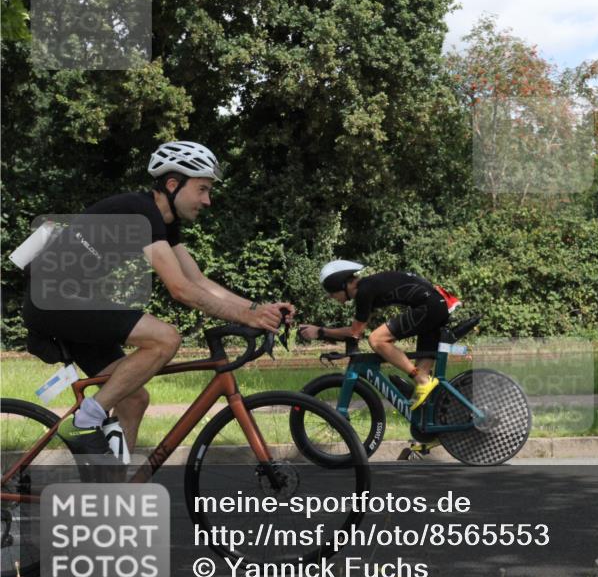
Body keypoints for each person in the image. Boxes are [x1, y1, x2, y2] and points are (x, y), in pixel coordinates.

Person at [21, 140, 295, 460]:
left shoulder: (163, 222)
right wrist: (246, 317)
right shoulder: (141, 211)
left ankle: (113, 494)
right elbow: (180, 289)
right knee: (165, 338)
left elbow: (198, 280)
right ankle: (85, 422)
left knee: (133, 399)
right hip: (54, 298)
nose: (208, 200)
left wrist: (257, 310)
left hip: (70, 301)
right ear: (172, 184)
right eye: (203, 189)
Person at [298, 261, 459, 409]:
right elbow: (357, 332)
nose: (332, 298)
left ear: (342, 284)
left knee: (377, 340)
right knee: (424, 391)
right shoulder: (369, 286)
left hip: (429, 308)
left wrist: (320, 331)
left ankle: (421, 379)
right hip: (435, 305)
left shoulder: (364, 291)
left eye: (332, 293)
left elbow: (355, 332)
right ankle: (429, 433)